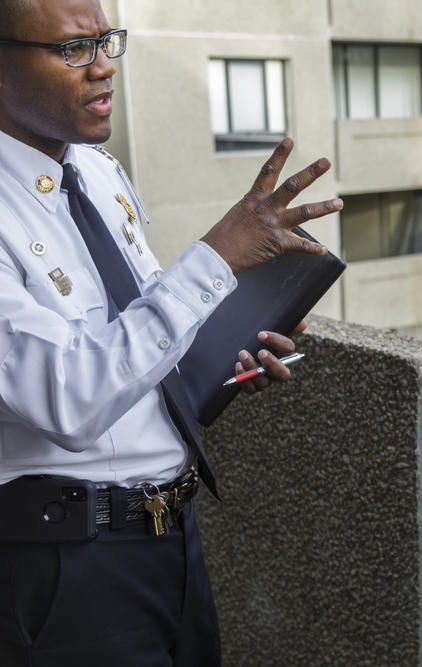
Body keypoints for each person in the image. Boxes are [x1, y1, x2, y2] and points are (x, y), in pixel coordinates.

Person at [0, 0, 343, 664]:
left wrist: (226, 351)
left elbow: (140, 332)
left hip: (173, 538)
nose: (104, 68)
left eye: (108, 41)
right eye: (75, 50)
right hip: (70, 571)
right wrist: (218, 254)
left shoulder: (96, 172)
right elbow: (68, 398)